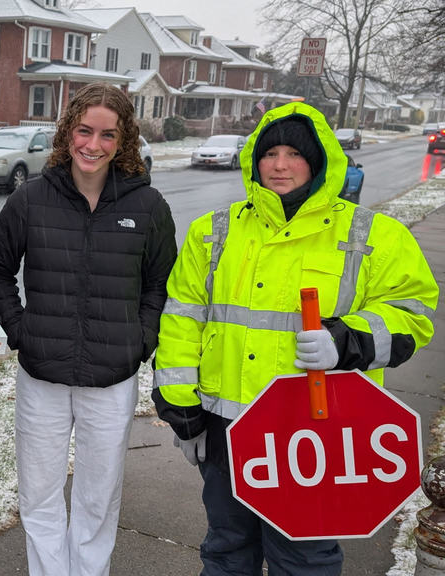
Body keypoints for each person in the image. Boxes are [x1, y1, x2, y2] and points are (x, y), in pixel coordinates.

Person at [152, 102, 437, 575]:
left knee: (302, 559)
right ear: (254, 160)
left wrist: (347, 340)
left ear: (319, 160)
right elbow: (182, 321)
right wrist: (182, 410)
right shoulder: (213, 233)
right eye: (270, 153)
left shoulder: (371, 235)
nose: (280, 165)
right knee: (226, 551)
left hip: (311, 436)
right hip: (225, 428)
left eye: (294, 154)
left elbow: (413, 313)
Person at [0, 82, 177, 576]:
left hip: (111, 378)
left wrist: (141, 340)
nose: (93, 144)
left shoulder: (148, 207)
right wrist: (20, 331)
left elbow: (160, 284)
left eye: (107, 135)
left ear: (124, 141)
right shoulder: (30, 200)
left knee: (98, 497)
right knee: (40, 494)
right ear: (68, 132)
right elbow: (1, 275)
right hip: (42, 376)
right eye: (84, 130)